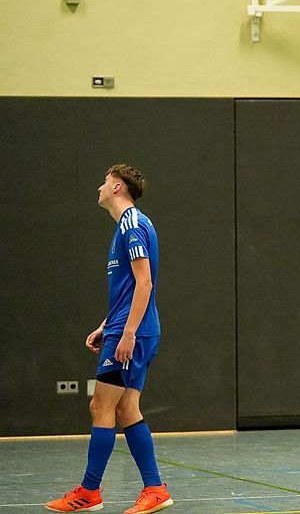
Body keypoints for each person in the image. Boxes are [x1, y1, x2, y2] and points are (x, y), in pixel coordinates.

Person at [46, 165, 173, 514]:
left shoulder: (132, 224)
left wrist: (126, 333)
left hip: (132, 331)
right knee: (126, 408)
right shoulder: (128, 225)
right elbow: (130, 289)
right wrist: (106, 325)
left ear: (117, 187)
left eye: (104, 182)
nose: (99, 188)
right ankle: (155, 489)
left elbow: (145, 283)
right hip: (126, 327)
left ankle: (89, 492)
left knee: (100, 407)